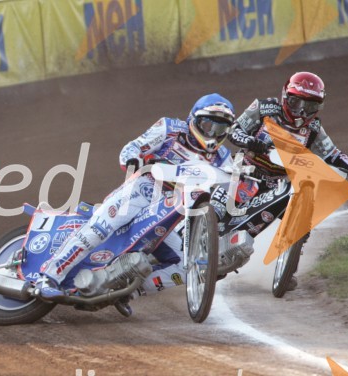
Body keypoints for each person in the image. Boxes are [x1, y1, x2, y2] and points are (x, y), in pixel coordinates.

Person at [35, 93, 238, 299]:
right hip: (142, 189)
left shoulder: (222, 157)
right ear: (193, 120)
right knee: (99, 228)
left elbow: (234, 184)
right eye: (207, 125)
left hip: (172, 211)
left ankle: (125, 292)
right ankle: (48, 277)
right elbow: (132, 148)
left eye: (219, 128)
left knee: (187, 266)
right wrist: (133, 160)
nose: (212, 133)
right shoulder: (170, 128)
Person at [226, 71, 348, 290]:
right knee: (222, 211)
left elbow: (332, 153)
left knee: (307, 202)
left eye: (311, 106)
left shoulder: (313, 128)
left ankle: (288, 266)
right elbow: (234, 130)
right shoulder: (264, 107)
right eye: (296, 103)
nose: (302, 112)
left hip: (280, 183)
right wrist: (251, 141)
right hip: (248, 173)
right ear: (286, 97)